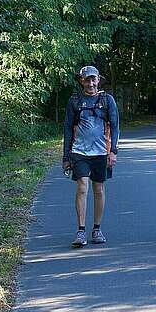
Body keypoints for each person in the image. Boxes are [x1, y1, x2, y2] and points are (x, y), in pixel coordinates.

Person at [62, 65, 119, 248]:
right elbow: (68, 129)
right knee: (82, 187)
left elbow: (116, 126)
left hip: (101, 152)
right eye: (87, 79)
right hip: (79, 152)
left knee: (99, 189)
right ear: (81, 81)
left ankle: (96, 228)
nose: (91, 83)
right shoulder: (74, 101)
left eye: (93, 79)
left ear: (98, 80)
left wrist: (113, 152)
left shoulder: (107, 100)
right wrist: (66, 157)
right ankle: (80, 230)